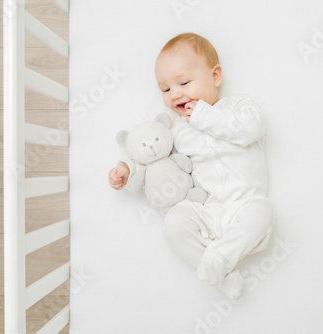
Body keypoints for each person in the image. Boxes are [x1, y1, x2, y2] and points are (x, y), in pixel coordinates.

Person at [109, 33, 273, 299]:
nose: (175, 94)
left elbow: (253, 129)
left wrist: (203, 116)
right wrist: (128, 169)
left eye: (184, 82)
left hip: (243, 205)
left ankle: (221, 257)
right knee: (173, 223)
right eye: (165, 89)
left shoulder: (237, 106)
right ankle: (221, 271)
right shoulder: (174, 127)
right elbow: (152, 153)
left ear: (215, 77)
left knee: (263, 212)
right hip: (205, 210)